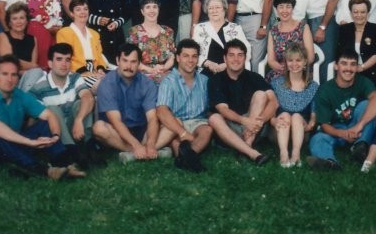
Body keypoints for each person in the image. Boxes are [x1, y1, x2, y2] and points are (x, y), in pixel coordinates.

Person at [0, 55, 85, 179]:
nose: (9, 79)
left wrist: (55, 136)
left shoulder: (19, 95)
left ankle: (63, 163)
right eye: (5, 74)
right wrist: (30, 142)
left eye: (14, 75)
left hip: (12, 143)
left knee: (44, 125)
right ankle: (45, 171)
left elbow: (49, 115)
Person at [92, 43, 171, 163]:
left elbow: (152, 118)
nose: (129, 66)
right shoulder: (107, 83)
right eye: (125, 61)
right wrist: (136, 145)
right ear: (118, 61)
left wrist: (150, 143)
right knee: (99, 128)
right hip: (117, 132)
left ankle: (144, 150)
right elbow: (116, 121)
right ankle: (138, 151)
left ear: (139, 64)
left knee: (175, 123)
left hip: (142, 130)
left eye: (133, 62)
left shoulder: (147, 83)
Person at [307, 48, 376, 170]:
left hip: (359, 128)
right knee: (317, 139)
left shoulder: (363, 82)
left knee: (367, 105)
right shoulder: (325, 90)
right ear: (336, 66)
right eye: (344, 63)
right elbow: (324, 125)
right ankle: (330, 162)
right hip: (336, 129)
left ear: (357, 67)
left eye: (353, 64)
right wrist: (343, 134)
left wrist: (358, 126)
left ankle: (360, 147)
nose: (348, 68)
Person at [207, 39, 278, 165]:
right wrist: (245, 121)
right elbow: (223, 110)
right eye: (231, 55)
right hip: (230, 128)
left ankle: (247, 145)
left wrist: (259, 121)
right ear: (225, 58)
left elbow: (274, 102)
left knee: (261, 95)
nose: (236, 59)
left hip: (255, 128)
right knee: (214, 118)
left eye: (240, 55)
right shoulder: (215, 80)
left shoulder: (254, 77)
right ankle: (253, 153)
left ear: (245, 58)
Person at [29, 43, 97, 166]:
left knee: (80, 103)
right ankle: (71, 152)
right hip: (56, 135)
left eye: (67, 60)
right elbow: (32, 119)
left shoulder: (75, 78)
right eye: (59, 59)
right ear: (50, 63)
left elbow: (88, 97)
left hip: (75, 128)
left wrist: (78, 120)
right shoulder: (38, 88)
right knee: (52, 109)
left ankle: (88, 148)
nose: (64, 64)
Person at [156, 39, 213, 172]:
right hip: (177, 123)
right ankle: (191, 159)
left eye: (194, 56)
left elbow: (210, 109)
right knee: (175, 136)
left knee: (207, 130)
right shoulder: (168, 81)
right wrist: (183, 133)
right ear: (178, 58)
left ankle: (185, 157)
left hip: (199, 123)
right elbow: (162, 110)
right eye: (186, 56)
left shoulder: (204, 80)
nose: (190, 60)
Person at [270, 43, 318, 168]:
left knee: (296, 116)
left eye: (298, 60)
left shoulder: (313, 86)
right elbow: (271, 111)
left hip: (302, 132)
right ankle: (284, 154)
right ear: (286, 62)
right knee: (285, 115)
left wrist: (310, 125)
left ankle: (296, 154)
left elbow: (313, 115)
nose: (294, 64)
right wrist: (274, 121)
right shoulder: (276, 83)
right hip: (279, 130)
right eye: (290, 60)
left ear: (305, 62)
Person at [193, 0, 250, 77]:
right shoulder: (200, 28)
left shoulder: (235, 28)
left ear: (224, 9)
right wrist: (207, 63)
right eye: (211, 8)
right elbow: (193, 52)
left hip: (231, 70)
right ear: (207, 11)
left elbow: (247, 50)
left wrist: (227, 65)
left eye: (218, 7)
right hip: (206, 70)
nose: (214, 11)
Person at [56, 0, 108, 83]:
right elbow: (66, 58)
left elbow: (99, 56)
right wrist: (86, 72)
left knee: (115, 81)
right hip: (75, 72)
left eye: (85, 9)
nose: (83, 12)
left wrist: (100, 70)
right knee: (102, 85)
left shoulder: (95, 34)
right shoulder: (64, 32)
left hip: (95, 70)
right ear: (72, 13)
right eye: (78, 10)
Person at [266, 0, 314, 82]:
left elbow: (310, 57)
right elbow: (271, 60)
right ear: (276, 9)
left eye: (288, 7)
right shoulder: (273, 31)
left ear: (293, 8)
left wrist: (294, 66)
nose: (284, 10)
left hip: (300, 71)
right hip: (280, 72)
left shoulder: (303, 27)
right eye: (281, 7)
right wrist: (277, 66)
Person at [127, 0, 176, 85]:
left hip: (164, 73)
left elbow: (172, 56)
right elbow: (131, 59)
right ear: (142, 11)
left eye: (155, 7)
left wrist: (163, 68)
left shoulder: (168, 31)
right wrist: (151, 70)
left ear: (158, 10)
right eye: (148, 7)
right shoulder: (134, 32)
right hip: (142, 75)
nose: (152, 10)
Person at [338, 0, 376, 87]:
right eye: (355, 12)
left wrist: (362, 67)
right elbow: (340, 52)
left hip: (371, 72)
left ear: (368, 14)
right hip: (348, 72)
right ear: (351, 14)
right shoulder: (344, 29)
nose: (359, 15)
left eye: (363, 12)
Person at [0, 2, 38, 72]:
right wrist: (34, 66)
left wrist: (33, 67)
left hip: (27, 75)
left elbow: (33, 68)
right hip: (6, 75)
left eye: (22, 18)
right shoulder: (2, 36)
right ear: (9, 22)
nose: (19, 22)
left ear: (27, 21)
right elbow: (9, 61)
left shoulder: (32, 39)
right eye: (14, 18)